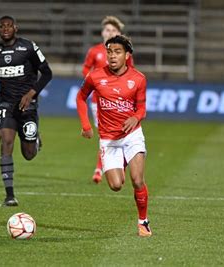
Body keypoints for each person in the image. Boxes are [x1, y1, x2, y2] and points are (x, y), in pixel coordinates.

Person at [76, 35, 151, 237]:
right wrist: (86, 125)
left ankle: (143, 221)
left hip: (132, 136)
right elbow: (81, 97)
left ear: (127, 56)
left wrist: (136, 117)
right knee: (116, 185)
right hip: (109, 139)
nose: (112, 56)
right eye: (109, 51)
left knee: (137, 180)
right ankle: (121, 163)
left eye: (117, 52)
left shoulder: (138, 79)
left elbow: (142, 108)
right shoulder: (95, 76)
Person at [0, 16, 52, 207]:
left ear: (16, 28)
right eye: (2, 26)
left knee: (28, 154)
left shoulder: (28, 47)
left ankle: (34, 139)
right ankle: (9, 195)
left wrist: (31, 94)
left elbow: (47, 72)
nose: (6, 29)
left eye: (9, 26)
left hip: (28, 106)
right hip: (5, 105)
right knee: (6, 142)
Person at [82, 16, 134, 184]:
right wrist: (92, 83)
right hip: (98, 101)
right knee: (105, 134)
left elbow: (130, 73)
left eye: (113, 30)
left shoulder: (124, 53)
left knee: (119, 134)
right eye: (107, 30)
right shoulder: (95, 51)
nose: (110, 33)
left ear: (118, 33)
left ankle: (106, 167)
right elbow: (85, 69)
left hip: (119, 102)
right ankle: (103, 167)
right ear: (103, 32)